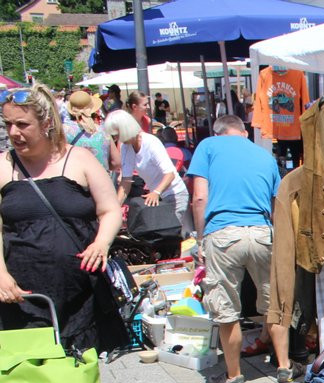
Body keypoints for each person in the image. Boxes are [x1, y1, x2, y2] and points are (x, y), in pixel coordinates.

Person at [0, 84, 125, 351]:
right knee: (29, 380)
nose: (13, 133)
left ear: (46, 122)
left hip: (78, 296)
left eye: (22, 124)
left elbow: (110, 210)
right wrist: (0, 274)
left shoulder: (79, 159)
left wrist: (101, 243)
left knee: (76, 382)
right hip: (21, 298)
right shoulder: (3, 165)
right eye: (8, 124)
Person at [187, 114, 292, 383]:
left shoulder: (208, 146)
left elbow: (199, 197)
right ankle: (284, 366)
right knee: (274, 303)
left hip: (223, 233)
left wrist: (200, 239)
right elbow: (275, 202)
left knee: (226, 308)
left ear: (218, 131)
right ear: (243, 132)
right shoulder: (264, 156)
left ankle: (234, 375)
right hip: (261, 232)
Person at [102, 110, 191, 237]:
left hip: (174, 194)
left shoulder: (150, 142)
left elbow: (170, 173)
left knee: (172, 235)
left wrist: (156, 192)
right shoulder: (126, 148)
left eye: (116, 134)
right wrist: (116, 207)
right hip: (158, 197)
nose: (115, 139)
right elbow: (126, 180)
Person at [63, 89, 113, 170]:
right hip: (101, 178)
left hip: (74, 179)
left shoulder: (64, 130)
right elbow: (116, 162)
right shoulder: (103, 130)